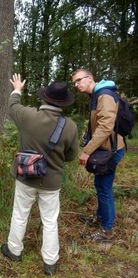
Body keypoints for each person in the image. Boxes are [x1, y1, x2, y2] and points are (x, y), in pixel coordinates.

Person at [1, 74, 78, 276]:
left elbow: (12, 105)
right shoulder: (70, 126)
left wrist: (17, 88)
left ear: (44, 98)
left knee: (20, 214)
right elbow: (70, 156)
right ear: (63, 104)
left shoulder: (27, 116)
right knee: (50, 221)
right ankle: (50, 263)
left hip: (25, 177)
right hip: (51, 182)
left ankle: (14, 250)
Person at [72, 69, 125, 242]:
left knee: (104, 189)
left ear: (90, 78)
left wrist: (87, 151)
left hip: (112, 149)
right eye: (74, 82)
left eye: (79, 80)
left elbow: (105, 127)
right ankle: (100, 218)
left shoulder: (104, 95)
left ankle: (107, 230)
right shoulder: (96, 95)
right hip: (104, 148)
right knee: (101, 185)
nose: (77, 84)